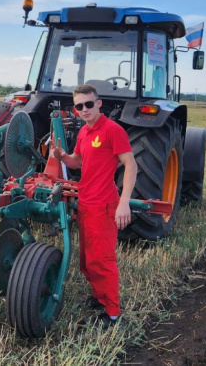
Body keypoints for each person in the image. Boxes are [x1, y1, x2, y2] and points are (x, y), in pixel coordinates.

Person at [50, 84, 137, 328]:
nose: (85, 109)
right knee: (87, 261)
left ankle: (112, 313)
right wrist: (61, 156)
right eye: (79, 106)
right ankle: (100, 298)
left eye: (89, 104)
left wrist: (124, 203)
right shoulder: (84, 133)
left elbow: (130, 166)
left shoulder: (112, 130)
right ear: (75, 110)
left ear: (99, 103)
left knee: (102, 260)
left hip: (104, 205)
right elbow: (77, 161)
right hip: (86, 203)